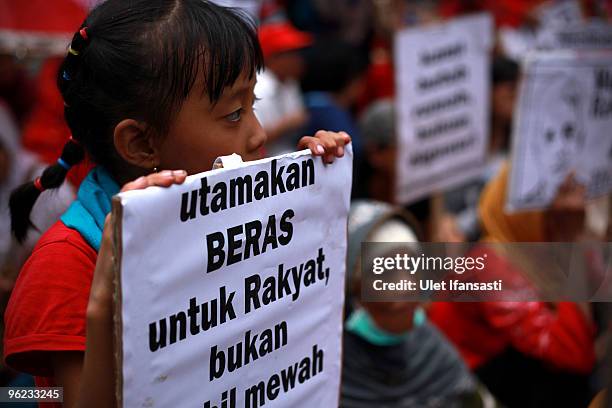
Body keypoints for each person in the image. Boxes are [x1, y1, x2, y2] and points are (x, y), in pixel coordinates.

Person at [4, 2, 350, 407]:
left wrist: (309, 198)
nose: (259, 135)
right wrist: (106, 302)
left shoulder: (235, 212)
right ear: (141, 144)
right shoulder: (69, 263)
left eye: (253, 103)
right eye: (235, 113)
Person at [429, 163, 596, 407]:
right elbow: (575, 355)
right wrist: (573, 241)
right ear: (522, 214)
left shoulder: (531, 249)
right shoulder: (491, 265)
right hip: (466, 382)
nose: (560, 220)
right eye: (551, 213)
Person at [341, 200, 486, 408]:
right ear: (356, 287)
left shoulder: (434, 351)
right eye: (386, 273)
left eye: (411, 266)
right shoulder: (333, 368)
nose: (405, 284)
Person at [254, 21, 312, 155]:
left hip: (288, 158)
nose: (300, 58)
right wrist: (288, 124)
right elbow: (252, 141)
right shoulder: (258, 87)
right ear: (273, 58)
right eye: (293, 52)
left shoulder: (290, 81)